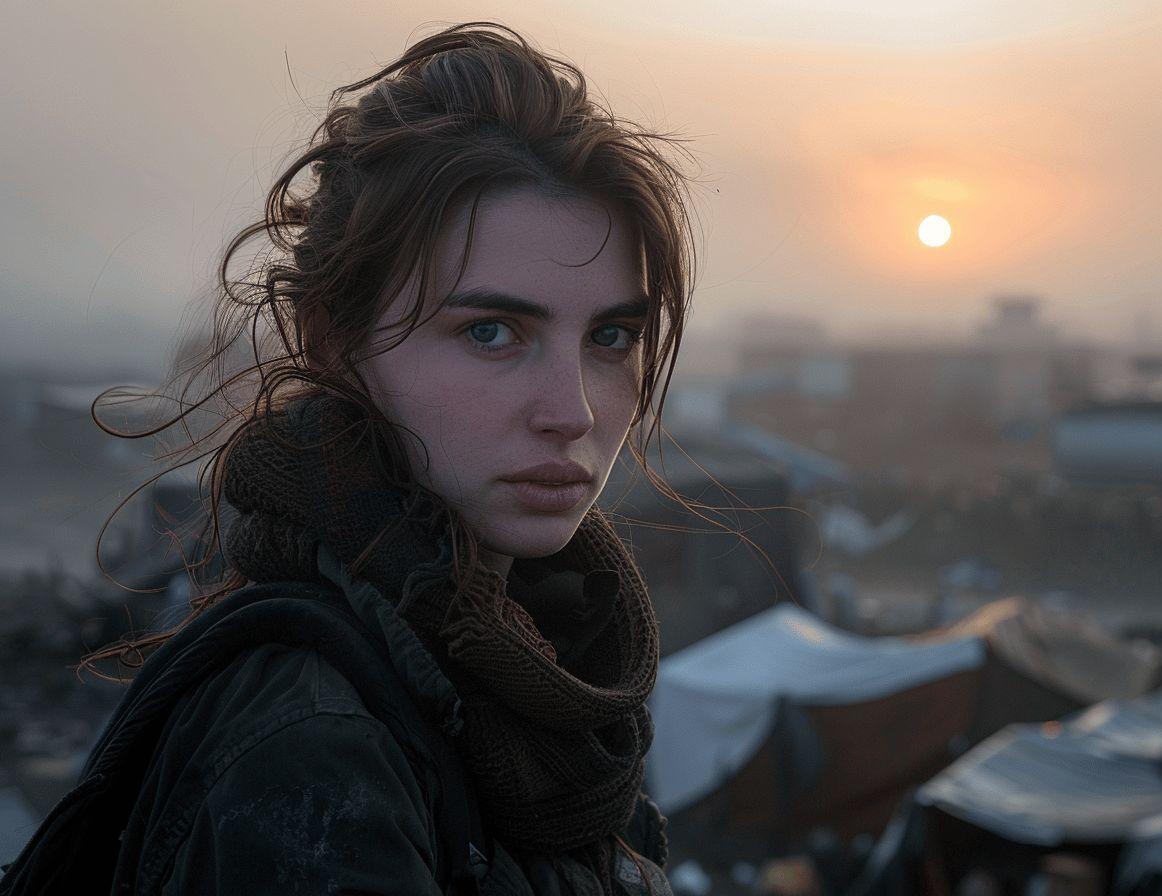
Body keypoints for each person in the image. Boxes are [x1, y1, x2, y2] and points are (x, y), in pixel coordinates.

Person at [22, 19, 707, 896]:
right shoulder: (313, 752)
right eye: (492, 332)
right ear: (334, 343)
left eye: (612, 336)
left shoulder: (552, 686)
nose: (571, 411)